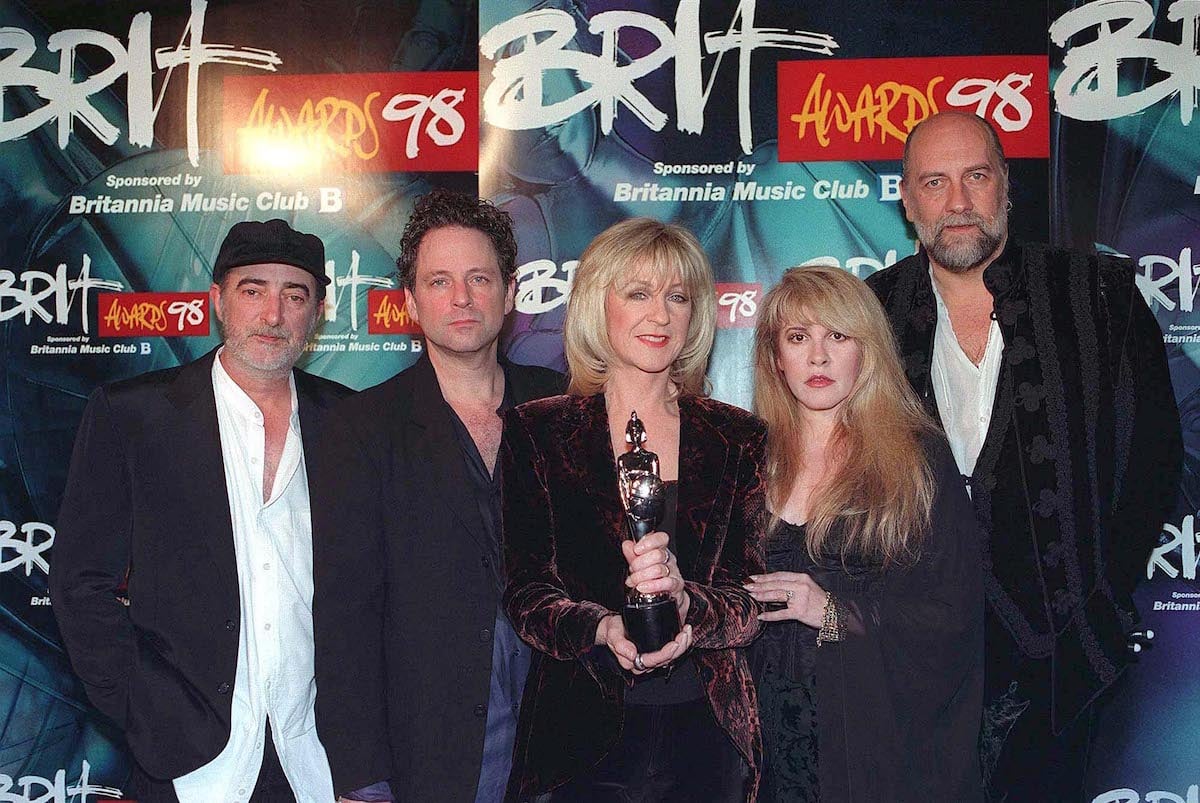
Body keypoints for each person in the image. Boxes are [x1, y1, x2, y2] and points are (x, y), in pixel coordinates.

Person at [866, 110, 1183, 801]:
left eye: (975, 176)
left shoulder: (1099, 297)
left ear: (1005, 186)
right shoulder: (869, 316)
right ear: (907, 199)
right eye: (935, 182)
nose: (957, 202)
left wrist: (1103, 601)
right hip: (909, 664)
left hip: (1063, 664)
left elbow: (1155, 462)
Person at [50, 219, 351, 802]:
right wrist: (143, 706)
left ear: (317, 312)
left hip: (315, 755)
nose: (273, 314)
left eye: (295, 295)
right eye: (253, 290)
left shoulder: (353, 422)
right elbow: (80, 583)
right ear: (217, 300)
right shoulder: (134, 414)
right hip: (188, 758)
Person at [500, 217, 767, 802]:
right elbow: (525, 592)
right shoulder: (539, 431)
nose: (661, 315)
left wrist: (686, 599)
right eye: (639, 294)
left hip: (707, 738)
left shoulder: (736, 438)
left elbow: (749, 601)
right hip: (577, 739)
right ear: (600, 304)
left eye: (678, 297)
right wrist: (602, 627)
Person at [310, 190, 563, 802]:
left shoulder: (560, 407)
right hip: (427, 750)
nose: (461, 298)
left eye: (479, 278)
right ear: (410, 301)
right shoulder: (361, 427)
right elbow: (344, 615)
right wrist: (362, 777)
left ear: (509, 294)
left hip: (556, 737)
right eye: (439, 280)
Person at [745, 265, 984, 802]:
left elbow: (954, 615)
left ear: (867, 350)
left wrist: (831, 610)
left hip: (871, 746)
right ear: (774, 355)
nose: (819, 356)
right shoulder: (746, 459)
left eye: (838, 335)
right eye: (798, 337)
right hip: (760, 748)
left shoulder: (917, 461)